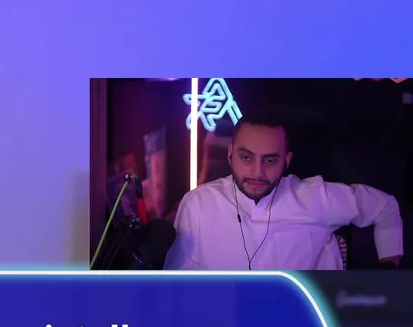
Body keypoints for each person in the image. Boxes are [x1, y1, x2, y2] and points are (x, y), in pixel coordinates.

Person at [165, 109, 404, 270]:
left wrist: (388, 272)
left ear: (286, 161)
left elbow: (385, 208)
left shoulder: (315, 197)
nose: (257, 172)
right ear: (230, 155)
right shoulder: (199, 204)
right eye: (246, 157)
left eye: (270, 160)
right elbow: (178, 286)